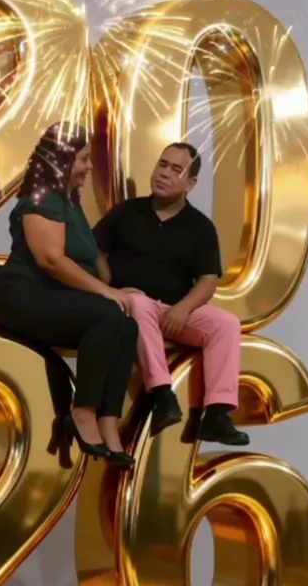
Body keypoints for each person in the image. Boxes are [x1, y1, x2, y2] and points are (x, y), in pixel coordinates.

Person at [0, 122, 138, 467]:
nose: (89, 167)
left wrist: (117, 289)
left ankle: (108, 423)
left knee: (127, 325)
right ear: (61, 160)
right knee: (107, 316)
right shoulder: (42, 198)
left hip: (53, 295)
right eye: (83, 159)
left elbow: (87, 260)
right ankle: (82, 412)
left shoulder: (70, 200)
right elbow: (52, 260)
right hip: (22, 295)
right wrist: (105, 292)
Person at [93, 142, 249, 446]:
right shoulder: (127, 211)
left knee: (226, 324)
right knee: (136, 303)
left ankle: (217, 414)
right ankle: (163, 395)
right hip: (131, 302)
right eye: (162, 165)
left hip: (173, 310)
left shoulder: (200, 227)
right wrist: (109, 287)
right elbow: (95, 251)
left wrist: (182, 309)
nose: (164, 173)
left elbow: (207, 281)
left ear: (190, 183)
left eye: (176, 169)